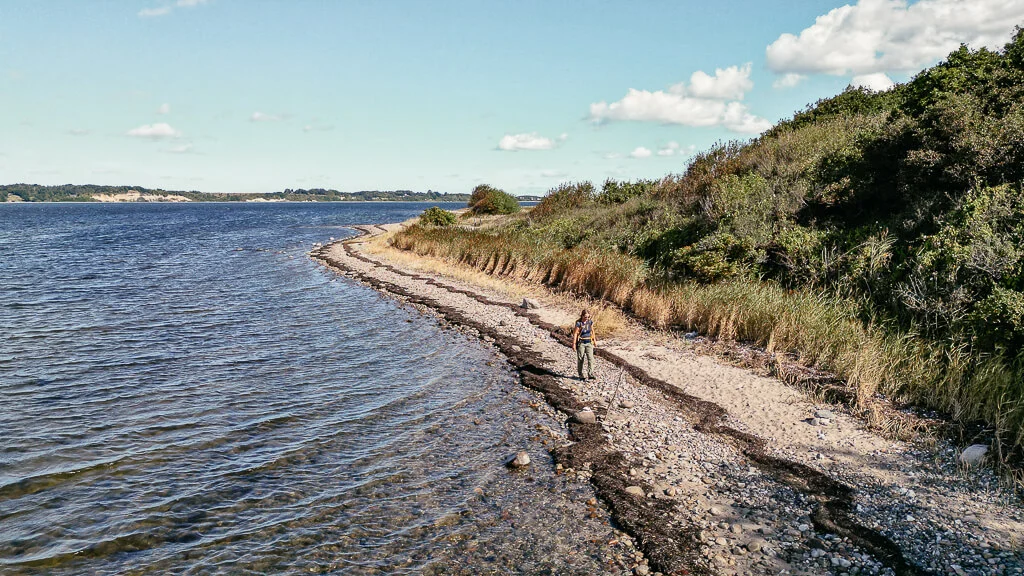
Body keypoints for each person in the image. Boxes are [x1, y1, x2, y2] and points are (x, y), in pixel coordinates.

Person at [572, 309, 597, 380]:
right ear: (582, 316)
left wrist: (594, 340)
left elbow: (592, 331)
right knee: (581, 359)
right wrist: (574, 344)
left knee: (591, 358)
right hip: (581, 343)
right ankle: (580, 374)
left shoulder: (590, 322)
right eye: (585, 317)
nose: (587, 318)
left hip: (589, 342)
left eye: (588, 317)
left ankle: (590, 373)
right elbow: (575, 334)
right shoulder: (579, 323)